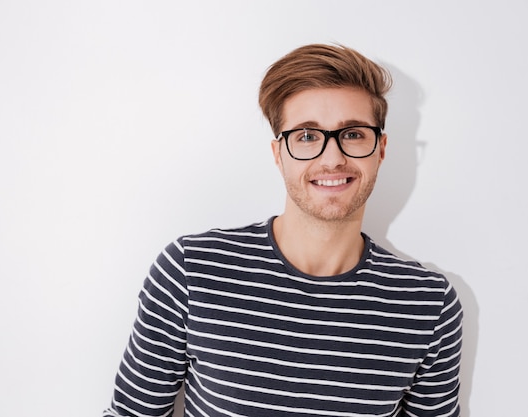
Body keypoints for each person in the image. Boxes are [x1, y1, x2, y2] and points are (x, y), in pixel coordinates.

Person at [103, 43, 463, 417]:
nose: (332, 158)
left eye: (353, 134)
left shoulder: (428, 304)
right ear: (278, 154)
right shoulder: (192, 270)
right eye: (307, 136)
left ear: (381, 149)